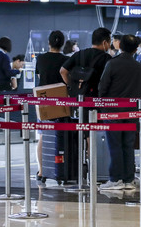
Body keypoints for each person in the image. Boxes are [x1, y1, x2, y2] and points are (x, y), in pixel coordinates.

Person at [98, 34, 141, 190]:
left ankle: (116, 179)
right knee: (128, 145)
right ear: (135, 49)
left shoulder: (112, 64)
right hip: (132, 113)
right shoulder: (139, 67)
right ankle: (128, 179)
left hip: (113, 113)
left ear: (121, 46)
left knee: (115, 146)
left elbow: (102, 88)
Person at [34, 31, 68, 181]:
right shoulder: (66, 59)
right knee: (61, 135)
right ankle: (61, 169)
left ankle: (42, 171)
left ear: (49, 43)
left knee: (43, 135)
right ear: (62, 44)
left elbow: (40, 76)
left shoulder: (41, 58)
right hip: (61, 101)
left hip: (44, 100)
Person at [60, 28, 113, 98]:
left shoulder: (79, 54)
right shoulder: (107, 58)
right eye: (109, 43)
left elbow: (62, 71)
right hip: (97, 99)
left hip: (79, 98)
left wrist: (73, 85)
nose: (109, 46)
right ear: (104, 43)